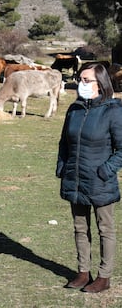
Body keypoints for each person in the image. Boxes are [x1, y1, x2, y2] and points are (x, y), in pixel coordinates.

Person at [56, 62, 122, 293]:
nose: (80, 84)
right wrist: (62, 168)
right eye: (80, 79)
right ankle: (83, 272)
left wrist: (105, 170)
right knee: (80, 227)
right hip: (75, 178)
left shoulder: (113, 111)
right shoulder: (74, 110)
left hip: (99, 180)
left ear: (100, 83)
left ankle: (104, 276)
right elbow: (64, 143)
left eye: (86, 80)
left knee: (105, 228)